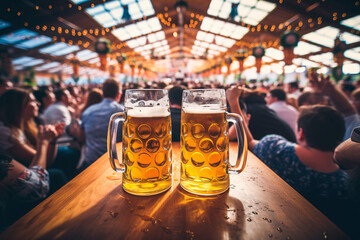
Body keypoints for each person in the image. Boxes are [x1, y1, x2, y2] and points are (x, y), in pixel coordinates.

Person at [227, 86, 349, 209]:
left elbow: (248, 141)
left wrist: (234, 102)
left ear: (301, 134)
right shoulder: (344, 184)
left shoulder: (276, 148)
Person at [0, 125, 68, 229]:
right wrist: (43, 142)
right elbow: (38, 186)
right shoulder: (4, 132)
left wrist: (51, 141)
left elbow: (46, 162)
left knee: (56, 174)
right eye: (36, 106)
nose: (38, 107)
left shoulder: (25, 126)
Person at [79, 79, 124, 170]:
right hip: (116, 164)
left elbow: (82, 138)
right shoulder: (123, 112)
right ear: (119, 94)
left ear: (103, 94)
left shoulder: (88, 111)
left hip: (90, 163)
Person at [228, 88, 296, 143]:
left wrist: (233, 102)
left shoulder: (247, 109)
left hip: (280, 150)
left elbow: (235, 135)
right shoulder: (262, 108)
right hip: (290, 144)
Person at [309, 72, 360, 140]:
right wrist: (332, 92)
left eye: (357, 99)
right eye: (353, 99)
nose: (352, 102)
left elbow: (348, 111)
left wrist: (332, 92)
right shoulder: (355, 123)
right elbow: (348, 112)